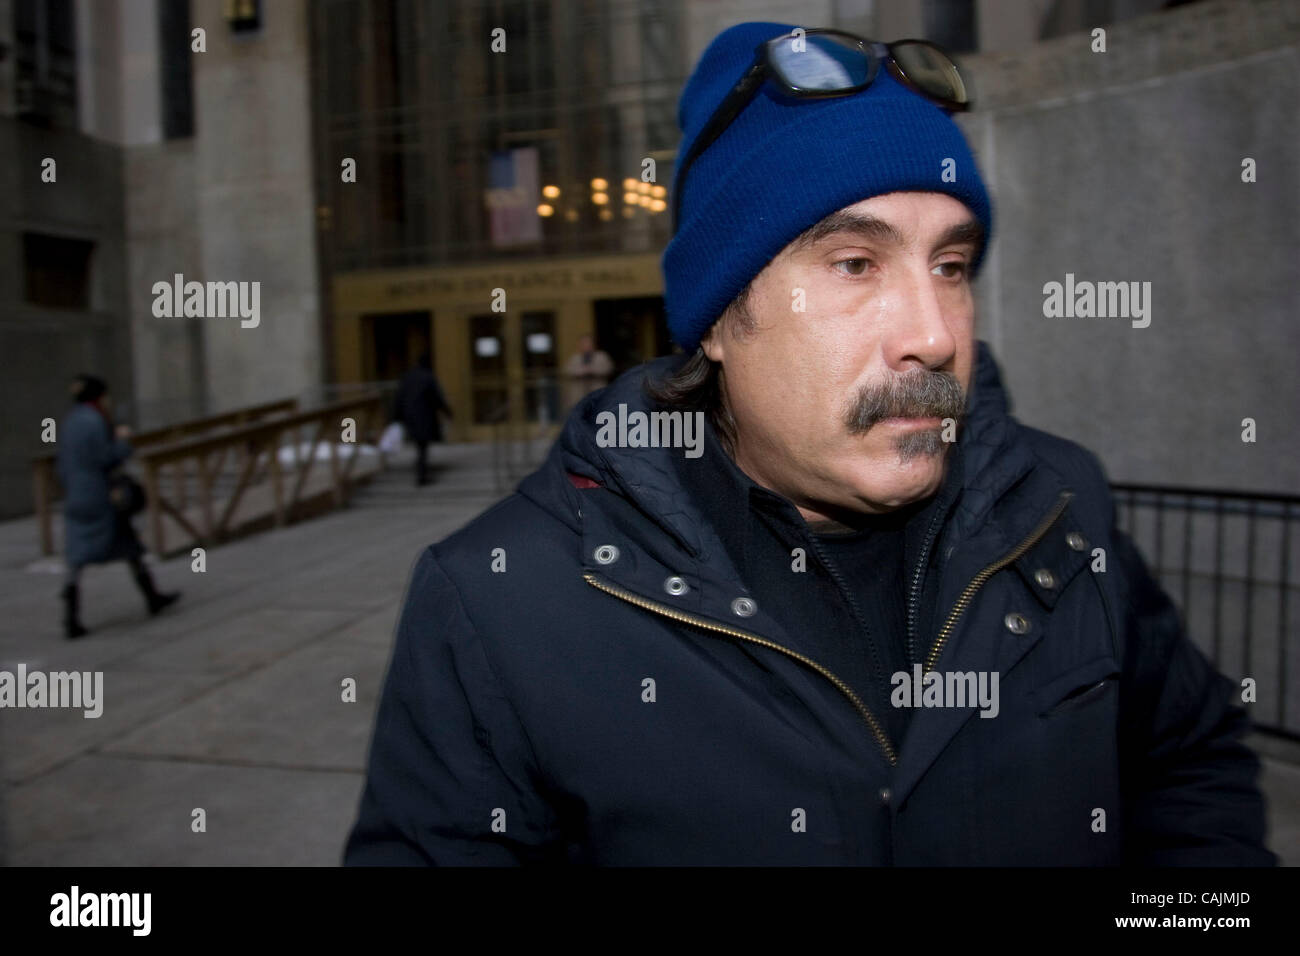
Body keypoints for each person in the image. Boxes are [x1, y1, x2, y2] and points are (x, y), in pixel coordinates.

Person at [344, 23, 1273, 865]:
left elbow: (1191, 768)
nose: (933, 331)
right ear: (717, 319)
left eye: (950, 265)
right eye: (855, 264)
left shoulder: (1063, 506)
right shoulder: (497, 600)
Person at [56, 374, 179, 639]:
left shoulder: (69, 423)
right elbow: (106, 457)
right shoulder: (95, 421)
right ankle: (152, 596)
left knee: (79, 556)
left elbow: (63, 464)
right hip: (102, 496)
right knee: (127, 544)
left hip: (77, 496)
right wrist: (123, 440)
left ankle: (71, 614)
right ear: (99, 397)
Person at [393, 354, 453, 486]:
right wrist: (447, 411)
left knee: (420, 446)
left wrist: (396, 416)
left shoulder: (408, 377)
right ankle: (421, 473)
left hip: (410, 416)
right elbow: (437, 397)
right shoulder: (427, 377)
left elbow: (399, 397)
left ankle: (421, 470)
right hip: (424, 415)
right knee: (422, 447)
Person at [561, 333, 614, 414]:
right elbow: (567, 371)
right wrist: (580, 371)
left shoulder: (601, 356)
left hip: (597, 392)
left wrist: (592, 370)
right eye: (583, 343)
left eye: (588, 343)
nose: (586, 345)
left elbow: (608, 368)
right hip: (578, 394)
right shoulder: (575, 358)